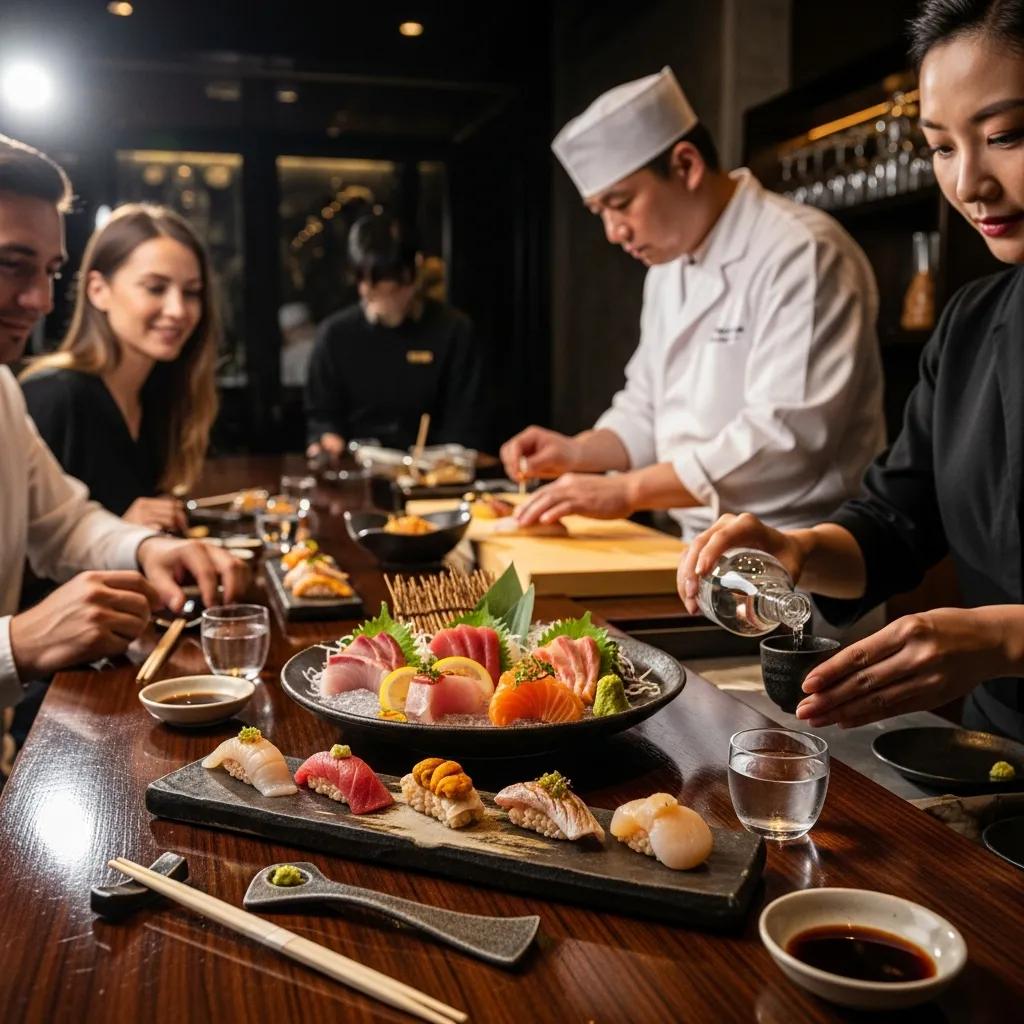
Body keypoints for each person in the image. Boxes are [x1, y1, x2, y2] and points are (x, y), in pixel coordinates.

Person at [678, 0, 1024, 741]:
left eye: (1005, 136)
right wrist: (797, 549)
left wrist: (1004, 640)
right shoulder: (970, 325)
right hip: (999, 758)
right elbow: (894, 525)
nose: (969, 184)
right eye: (940, 147)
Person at [502, 68, 885, 539]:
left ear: (685, 165)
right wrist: (576, 452)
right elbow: (646, 409)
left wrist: (627, 491)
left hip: (799, 556)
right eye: (600, 212)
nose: (613, 232)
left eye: (621, 203)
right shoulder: (668, 266)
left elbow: (786, 440)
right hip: (692, 545)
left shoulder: (802, 251)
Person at [0, 134, 244, 773]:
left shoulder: (1, 390)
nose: (40, 301)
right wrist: (18, 641)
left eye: (49, 272)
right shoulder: (51, 391)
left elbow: (65, 522)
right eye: (10, 264)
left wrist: (147, 548)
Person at [20, 204, 220, 533]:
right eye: (155, 288)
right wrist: (118, 531)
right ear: (99, 290)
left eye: (192, 293)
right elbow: (15, 556)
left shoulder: (161, 393)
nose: (178, 310)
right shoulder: (53, 396)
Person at [304, 213, 488, 455]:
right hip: (357, 472)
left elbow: (467, 422)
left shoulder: (454, 330)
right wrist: (327, 441)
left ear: (415, 271)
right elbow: (322, 416)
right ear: (360, 282)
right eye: (376, 293)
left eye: (397, 291)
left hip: (433, 473)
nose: (388, 305)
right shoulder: (334, 335)